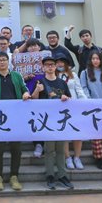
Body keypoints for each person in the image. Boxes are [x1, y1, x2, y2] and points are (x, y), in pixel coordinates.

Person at [0, 51, 31, 191]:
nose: (2, 62)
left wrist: (26, 93)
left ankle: (14, 176)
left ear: (8, 61)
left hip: (16, 116)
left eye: (4, 60)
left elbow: (24, 89)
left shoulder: (16, 76)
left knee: (16, 148)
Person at [33, 56, 74, 190]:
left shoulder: (62, 83)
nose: (50, 67)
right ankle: (50, 175)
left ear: (55, 67)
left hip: (60, 119)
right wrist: (37, 91)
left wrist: (65, 98)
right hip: (46, 120)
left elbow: (69, 98)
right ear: (43, 67)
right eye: (47, 65)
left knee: (61, 149)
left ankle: (62, 175)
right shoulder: (40, 81)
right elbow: (33, 100)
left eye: (52, 64)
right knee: (49, 149)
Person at [13, 37, 46, 158]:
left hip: (44, 88)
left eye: (35, 45)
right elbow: (16, 53)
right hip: (29, 87)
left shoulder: (45, 58)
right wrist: (26, 76)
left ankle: (45, 143)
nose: (32, 48)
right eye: (30, 46)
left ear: (39, 47)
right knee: (33, 116)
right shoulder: (23, 60)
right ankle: (37, 143)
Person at [57, 56, 88, 170]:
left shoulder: (73, 75)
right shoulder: (55, 76)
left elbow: (79, 89)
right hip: (61, 108)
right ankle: (67, 157)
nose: (60, 64)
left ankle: (77, 157)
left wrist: (84, 102)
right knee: (65, 133)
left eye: (62, 62)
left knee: (77, 133)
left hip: (74, 106)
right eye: (58, 62)